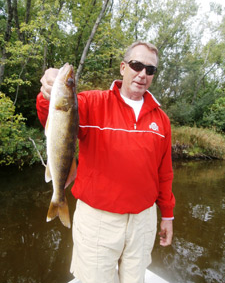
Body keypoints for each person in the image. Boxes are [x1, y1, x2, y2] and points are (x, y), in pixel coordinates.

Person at [36, 41, 175, 283]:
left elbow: (164, 172)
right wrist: (49, 87)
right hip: (97, 222)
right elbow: (52, 112)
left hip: (143, 221)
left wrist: (168, 216)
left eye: (149, 70)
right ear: (123, 67)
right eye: (136, 65)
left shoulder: (161, 119)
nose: (142, 74)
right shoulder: (91, 103)